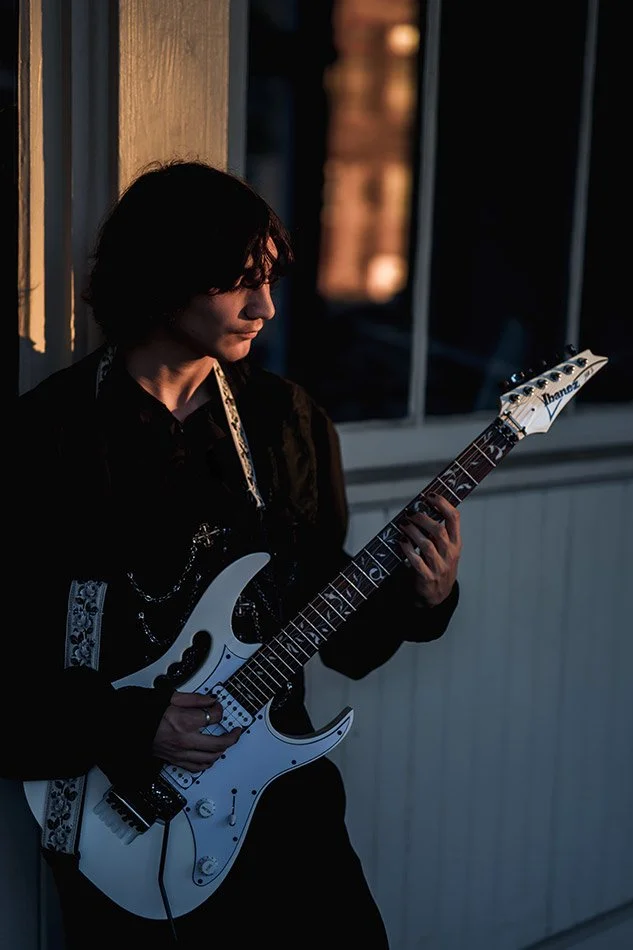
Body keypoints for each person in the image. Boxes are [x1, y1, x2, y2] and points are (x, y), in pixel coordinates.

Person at [7, 159, 462, 949]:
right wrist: (131, 724)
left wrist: (422, 599)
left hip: (282, 806)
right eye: (237, 282)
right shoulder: (44, 438)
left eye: (270, 279)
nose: (266, 307)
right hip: (124, 817)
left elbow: (339, 630)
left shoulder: (286, 422)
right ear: (162, 278)